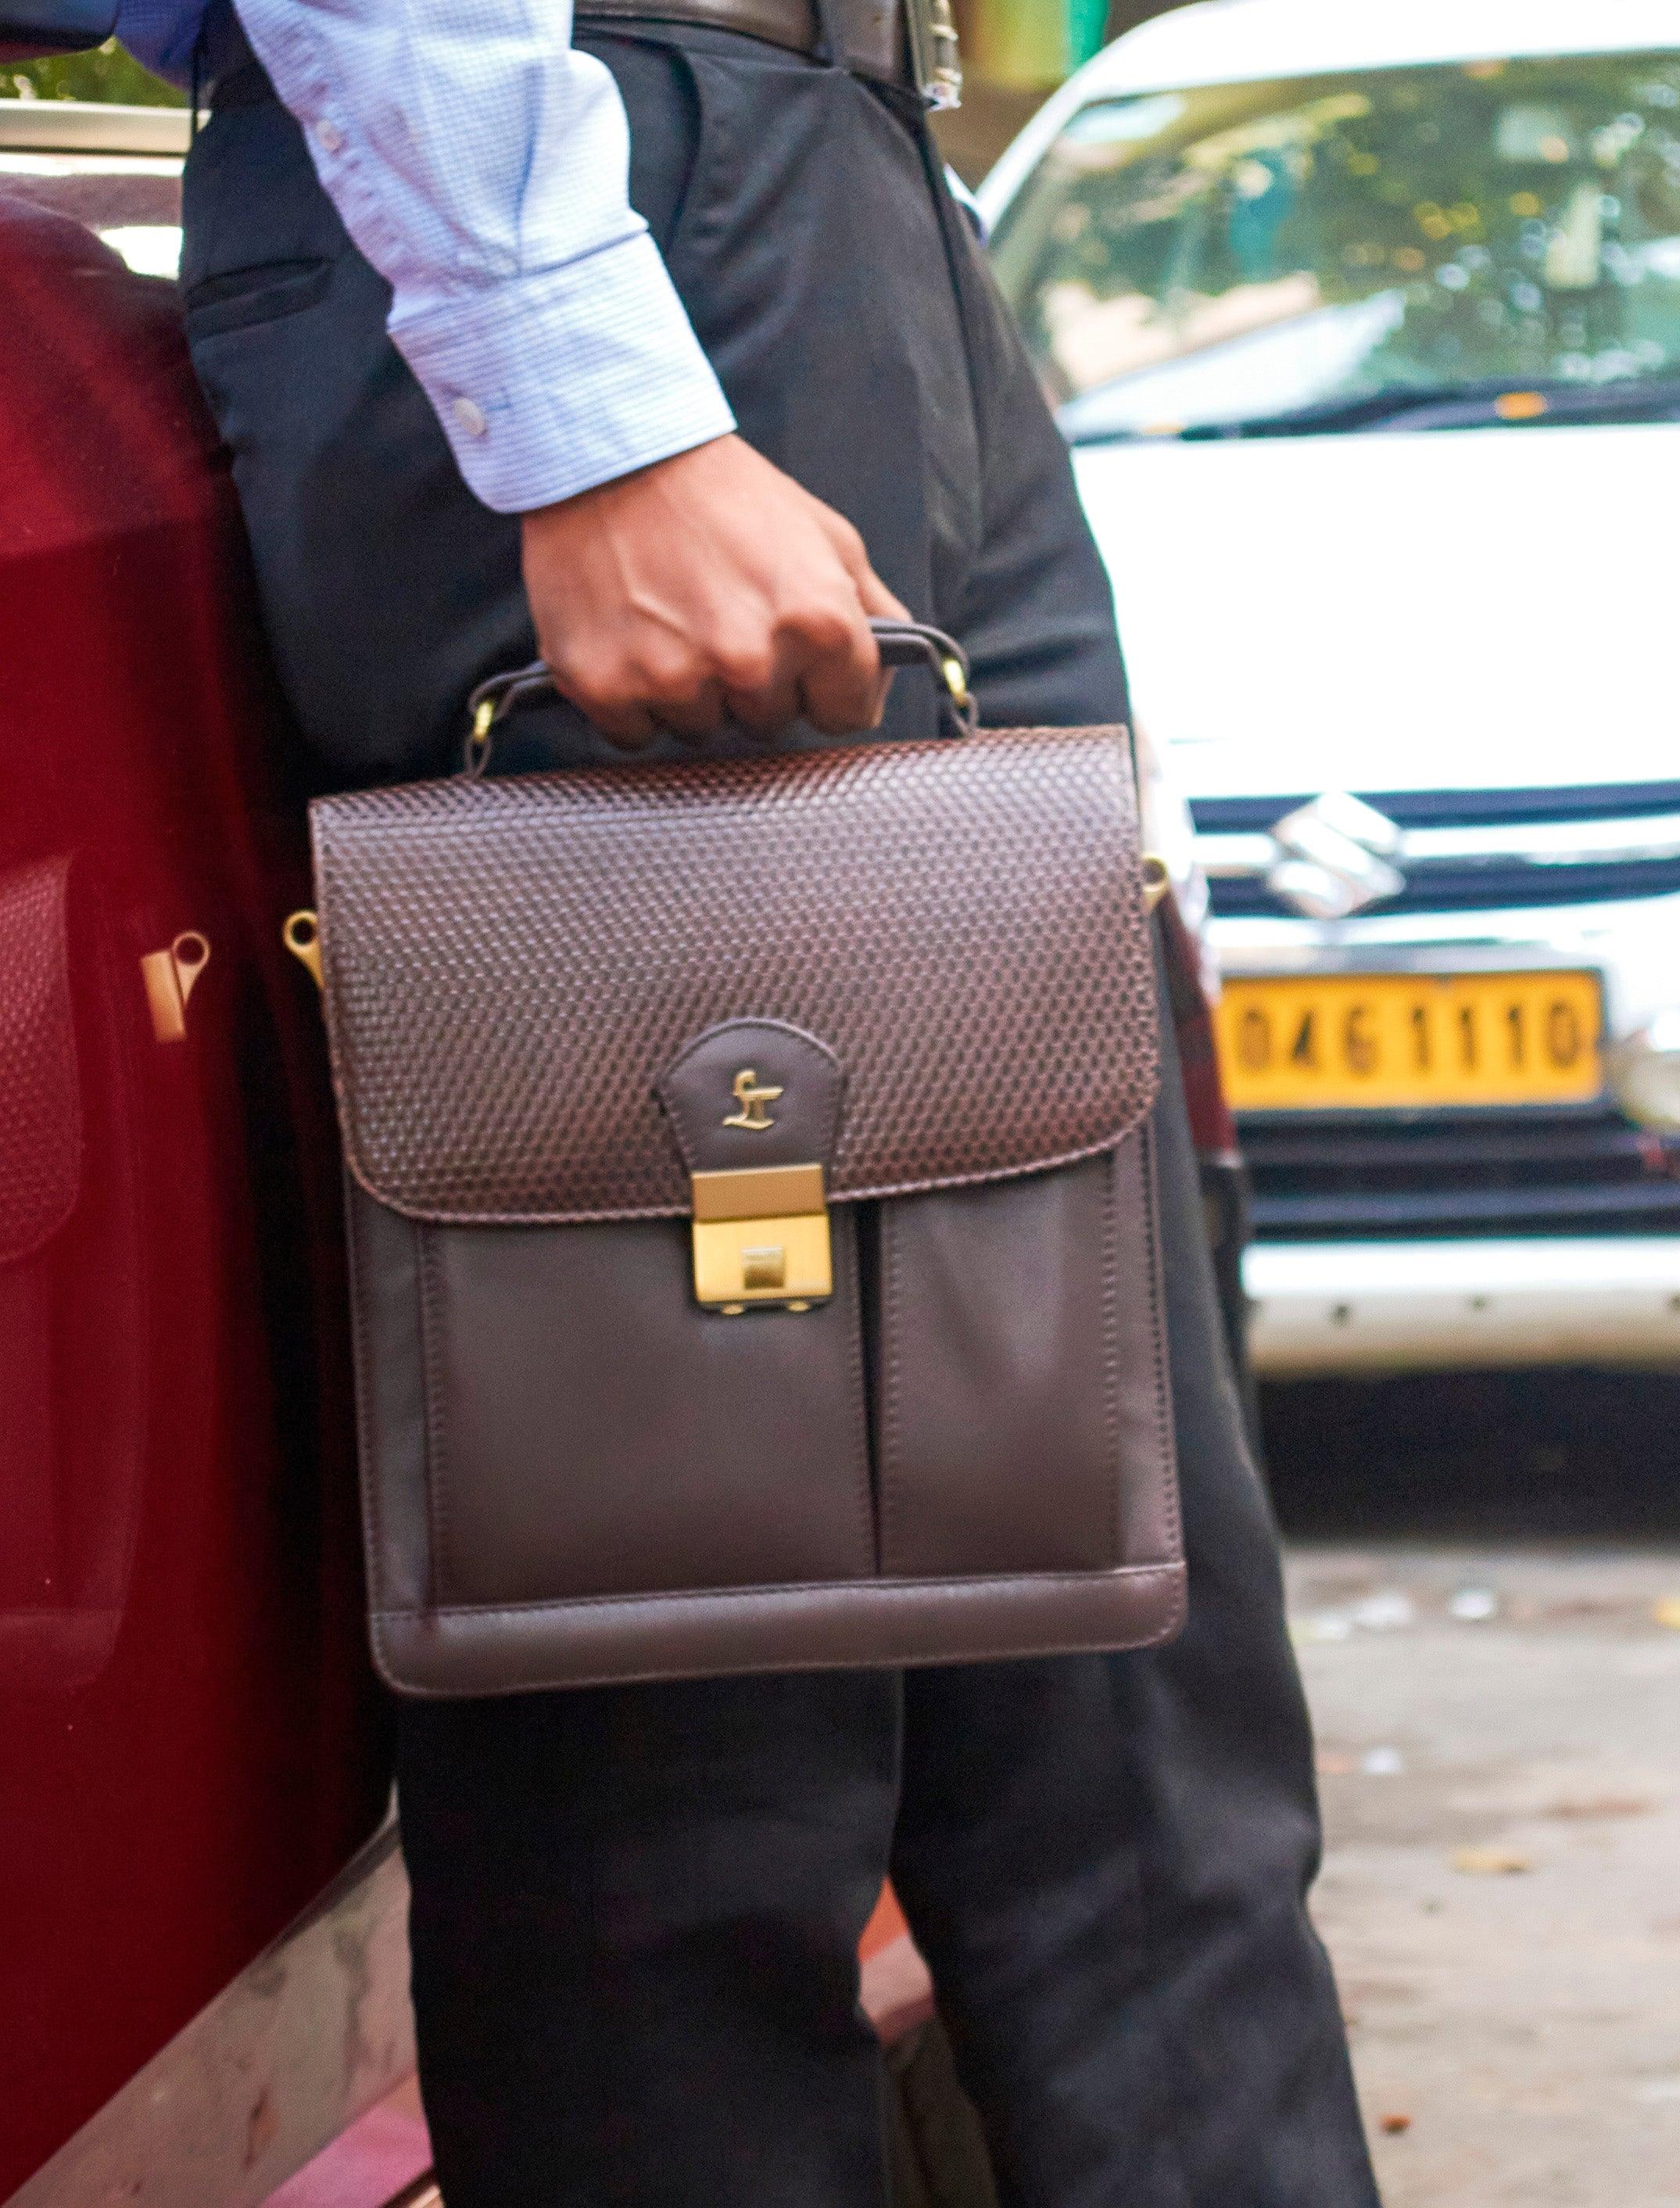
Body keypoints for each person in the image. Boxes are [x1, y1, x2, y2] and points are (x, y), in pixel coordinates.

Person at [115, 0, 1384, 2198]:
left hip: (838, 190)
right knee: (687, 1741)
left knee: (1132, 1674)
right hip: (608, 175)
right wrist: (581, 394)